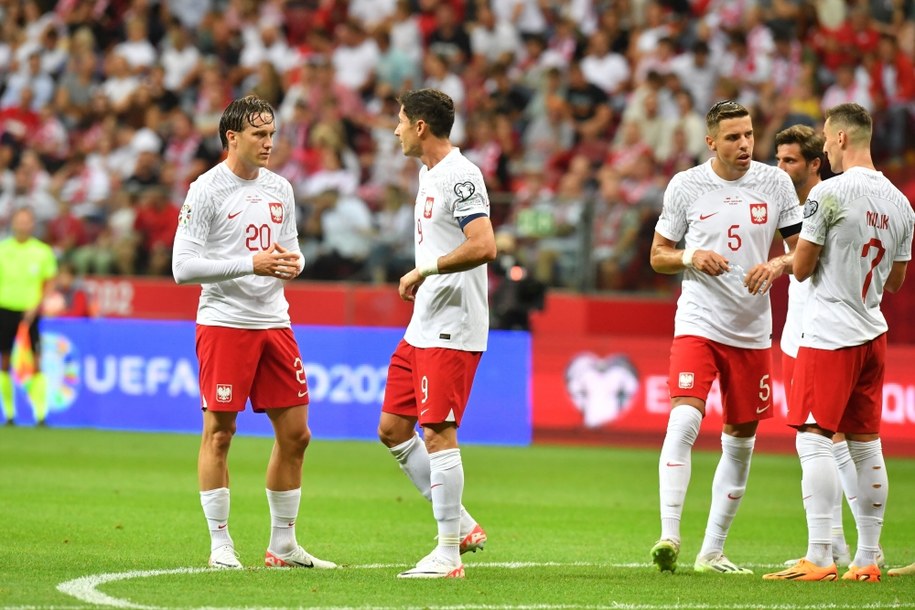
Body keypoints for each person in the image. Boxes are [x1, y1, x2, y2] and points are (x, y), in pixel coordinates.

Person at [172, 95, 336, 571]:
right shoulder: (205, 190)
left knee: (297, 434)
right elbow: (182, 267)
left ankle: (282, 545)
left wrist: (293, 263)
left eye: (272, 134)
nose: (269, 143)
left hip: (275, 321)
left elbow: (293, 250)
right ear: (233, 137)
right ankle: (220, 543)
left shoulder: (280, 187)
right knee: (220, 432)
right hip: (225, 323)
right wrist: (252, 263)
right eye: (259, 135)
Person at [648, 100, 803, 574]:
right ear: (710, 141)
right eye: (733, 137)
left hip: (753, 332)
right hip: (698, 323)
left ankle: (712, 551)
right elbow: (658, 255)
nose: (744, 145)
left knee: (740, 438)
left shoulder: (776, 183)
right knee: (684, 423)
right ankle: (669, 535)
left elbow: (801, 253)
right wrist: (692, 256)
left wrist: (777, 264)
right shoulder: (687, 185)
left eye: (749, 135)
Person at [764, 103, 914, 582]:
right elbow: (895, 281)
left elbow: (803, 268)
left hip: (828, 333)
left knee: (814, 440)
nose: (825, 147)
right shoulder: (900, 202)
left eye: (827, 140)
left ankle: (821, 556)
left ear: (843, 139)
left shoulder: (827, 194)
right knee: (867, 445)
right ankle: (867, 559)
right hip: (872, 330)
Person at [377, 88, 497, 579]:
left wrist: (425, 270)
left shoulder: (462, 175)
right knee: (393, 428)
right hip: (423, 324)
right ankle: (463, 525)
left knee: (438, 430)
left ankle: (448, 554)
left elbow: (484, 244)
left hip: (453, 325)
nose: (396, 129)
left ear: (421, 127)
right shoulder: (428, 174)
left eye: (401, 121)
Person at [0, 207, 58, 426]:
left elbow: (49, 281)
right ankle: (9, 414)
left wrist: (36, 306)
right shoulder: (3, 249)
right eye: (19, 221)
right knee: (4, 361)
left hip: (31, 312)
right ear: (12, 223)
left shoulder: (42, 252)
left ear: (32, 225)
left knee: (36, 362)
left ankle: (40, 415)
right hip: (4, 309)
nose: (22, 225)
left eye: (26, 221)